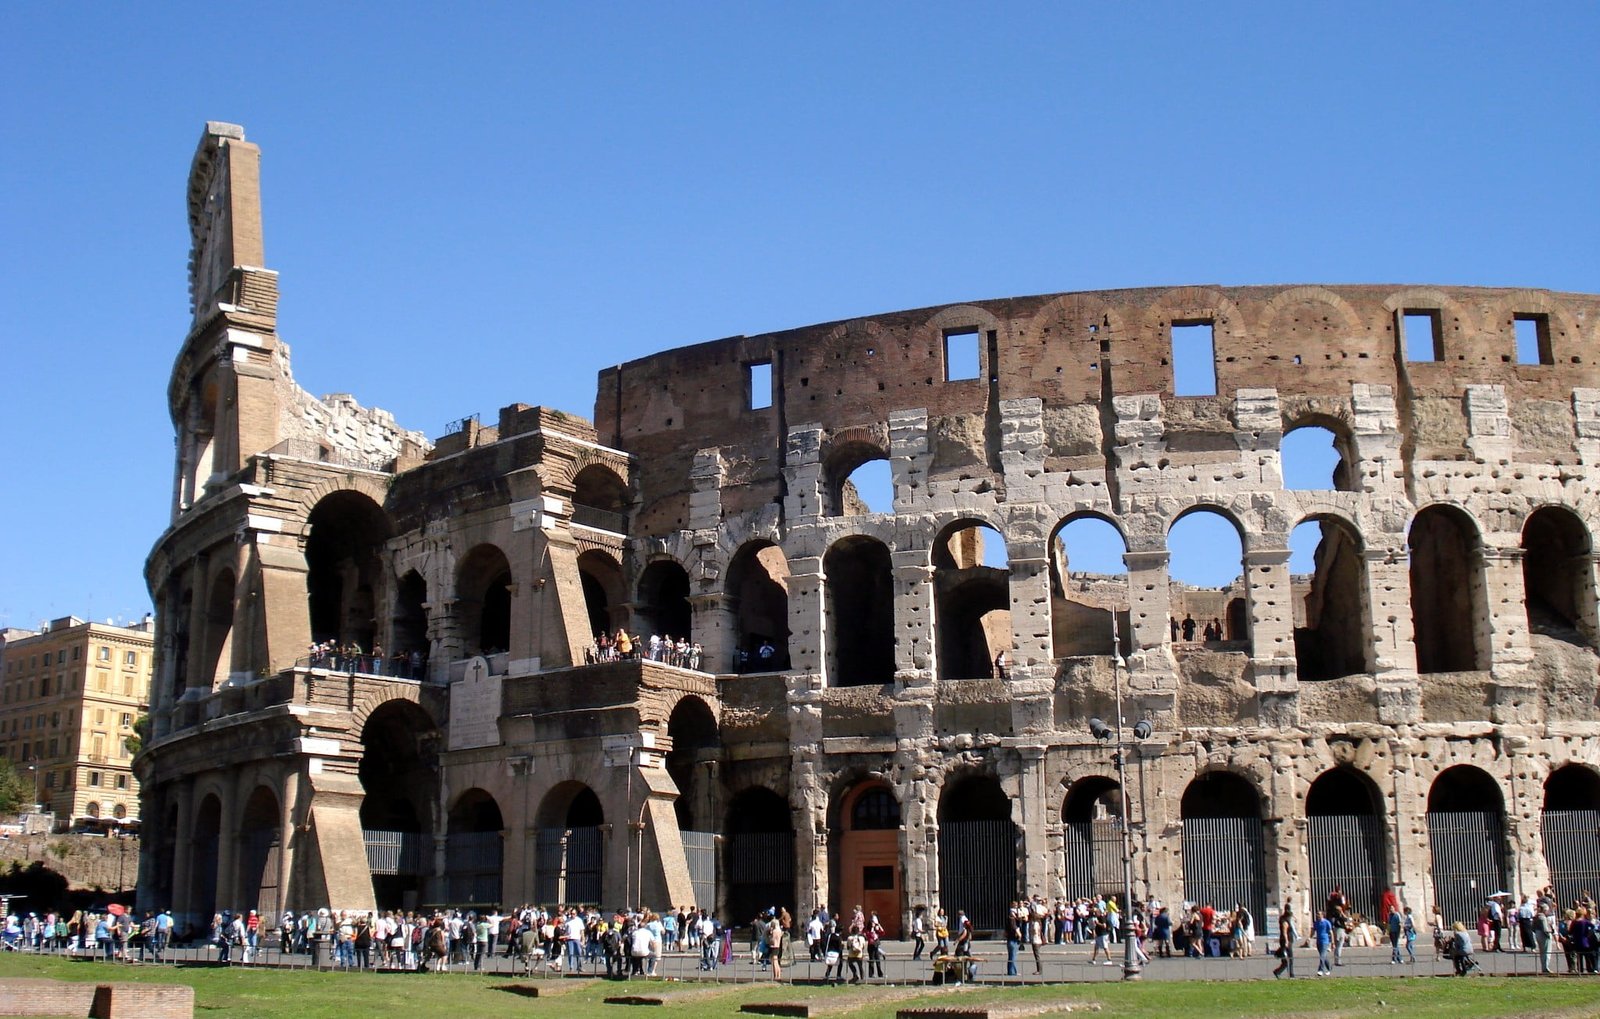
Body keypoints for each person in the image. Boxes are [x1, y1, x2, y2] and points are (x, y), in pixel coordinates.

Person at [1272, 903, 1296, 979]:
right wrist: (1286, 942)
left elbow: (1294, 918)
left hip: (1287, 940)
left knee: (1286, 959)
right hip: (1286, 941)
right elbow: (1284, 931)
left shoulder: (1285, 918)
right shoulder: (1284, 920)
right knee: (1289, 958)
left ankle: (1278, 972)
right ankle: (1291, 974)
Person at [1313, 910, 1334, 975]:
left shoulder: (1327, 922)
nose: (1317, 915)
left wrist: (1332, 942)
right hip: (1318, 941)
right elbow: (1313, 931)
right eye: (1317, 914)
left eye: (1319, 914)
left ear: (1322, 915)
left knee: (1322, 956)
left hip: (1325, 941)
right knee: (1324, 956)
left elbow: (1331, 932)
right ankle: (1329, 968)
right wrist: (1309, 938)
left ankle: (1320, 970)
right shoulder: (1316, 923)